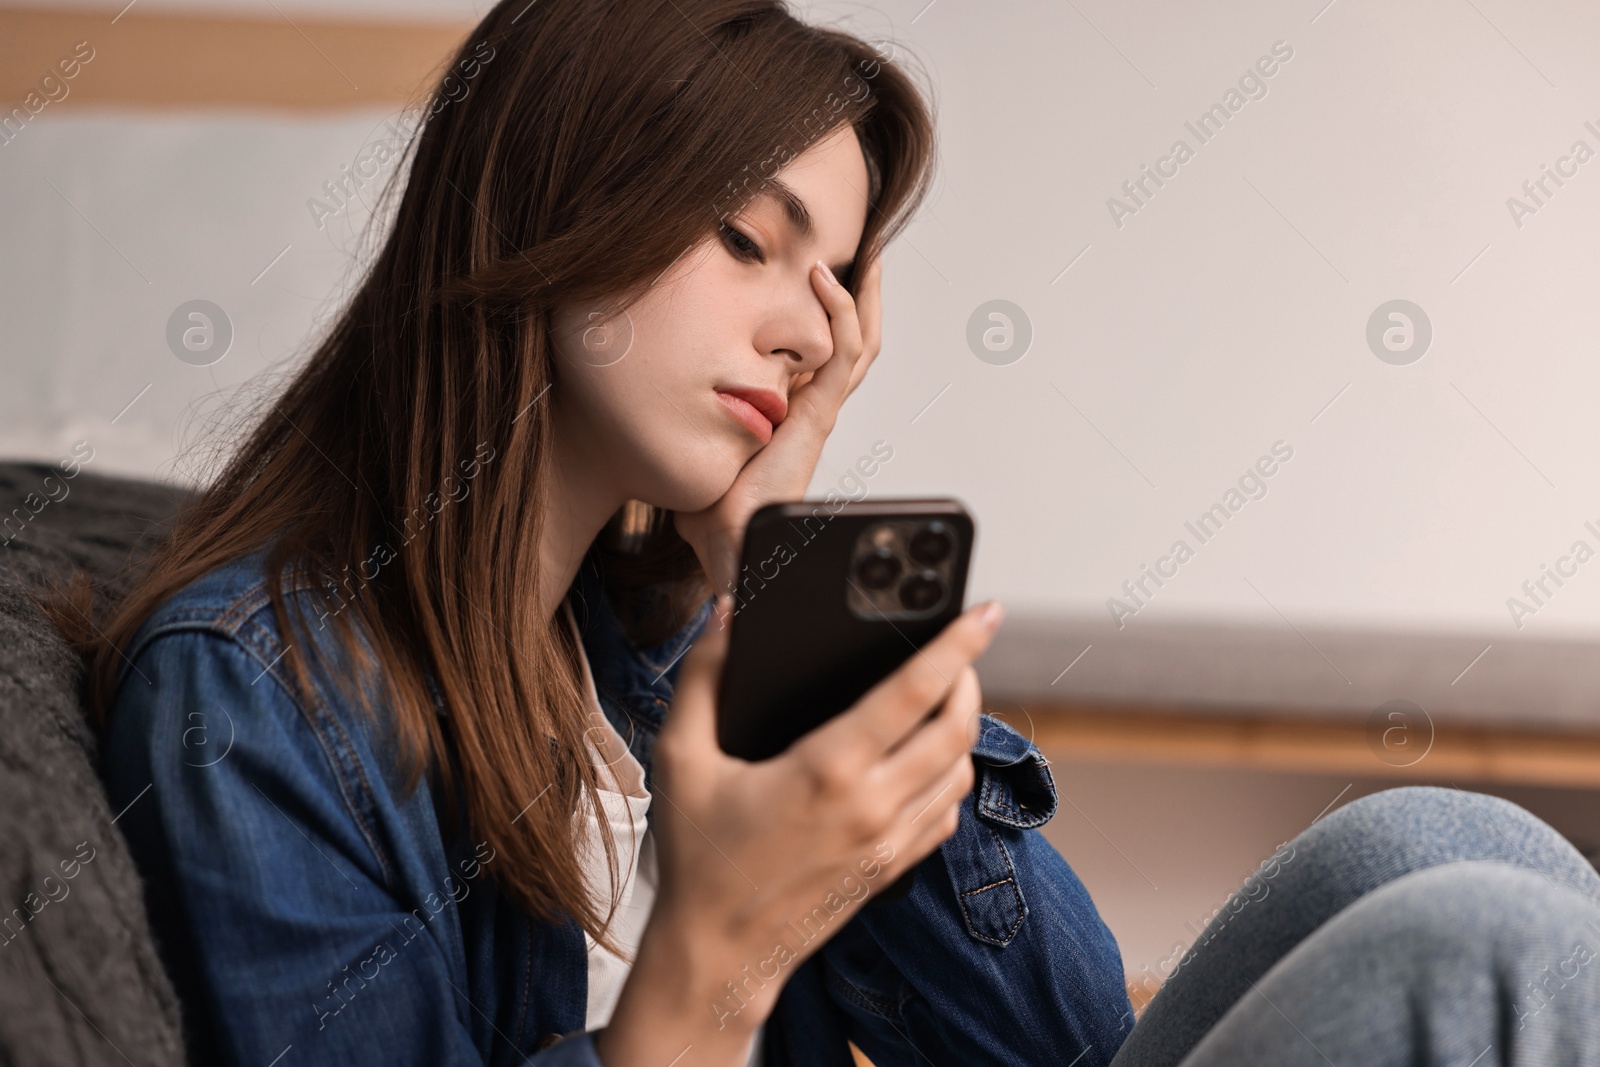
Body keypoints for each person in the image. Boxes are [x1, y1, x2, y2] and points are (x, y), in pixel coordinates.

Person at [60, 2, 1600, 1066]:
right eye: (752, 240)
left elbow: (1058, 1042)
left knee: (1441, 840)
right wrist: (713, 964)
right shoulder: (259, 701)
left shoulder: (655, 656)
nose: (818, 325)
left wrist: (787, 566)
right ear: (544, 208)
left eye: (842, 272)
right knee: (1479, 958)